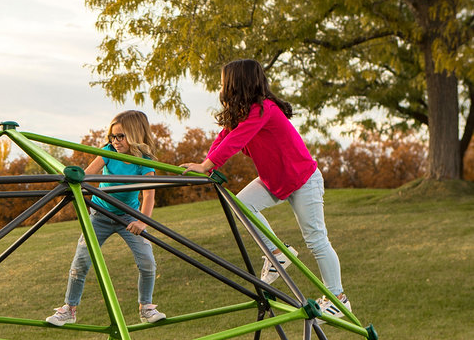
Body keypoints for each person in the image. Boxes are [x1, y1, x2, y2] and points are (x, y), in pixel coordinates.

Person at [180, 59, 350, 318]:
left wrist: (207, 165)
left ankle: (338, 298)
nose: (221, 87)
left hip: (303, 179)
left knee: (315, 239)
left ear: (237, 84)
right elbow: (224, 138)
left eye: (224, 82)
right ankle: (276, 252)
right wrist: (207, 164)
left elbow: (235, 141)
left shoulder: (263, 109)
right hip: (275, 181)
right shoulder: (242, 114)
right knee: (241, 203)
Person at [46, 110, 166, 326]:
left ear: (135, 134)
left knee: (147, 262)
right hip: (100, 214)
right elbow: (87, 177)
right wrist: (77, 188)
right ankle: (69, 309)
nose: (116, 141)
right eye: (112, 136)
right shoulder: (108, 152)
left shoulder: (144, 161)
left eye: (121, 136)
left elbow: (149, 195)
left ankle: (146, 307)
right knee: (81, 261)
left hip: (129, 218)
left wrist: (141, 222)